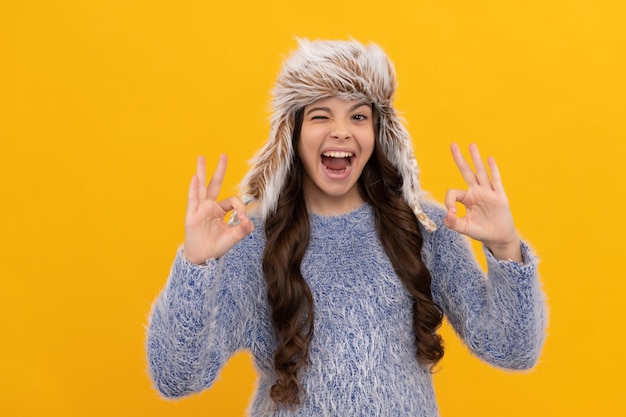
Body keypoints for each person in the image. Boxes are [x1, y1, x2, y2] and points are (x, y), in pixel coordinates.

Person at [146, 39, 547, 416]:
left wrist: (505, 246)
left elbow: (512, 349)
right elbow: (176, 377)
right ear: (293, 135)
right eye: (321, 115)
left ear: (378, 133)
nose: (341, 130)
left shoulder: (424, 228)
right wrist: (196, 266)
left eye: (358, 116)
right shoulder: (254, 239)